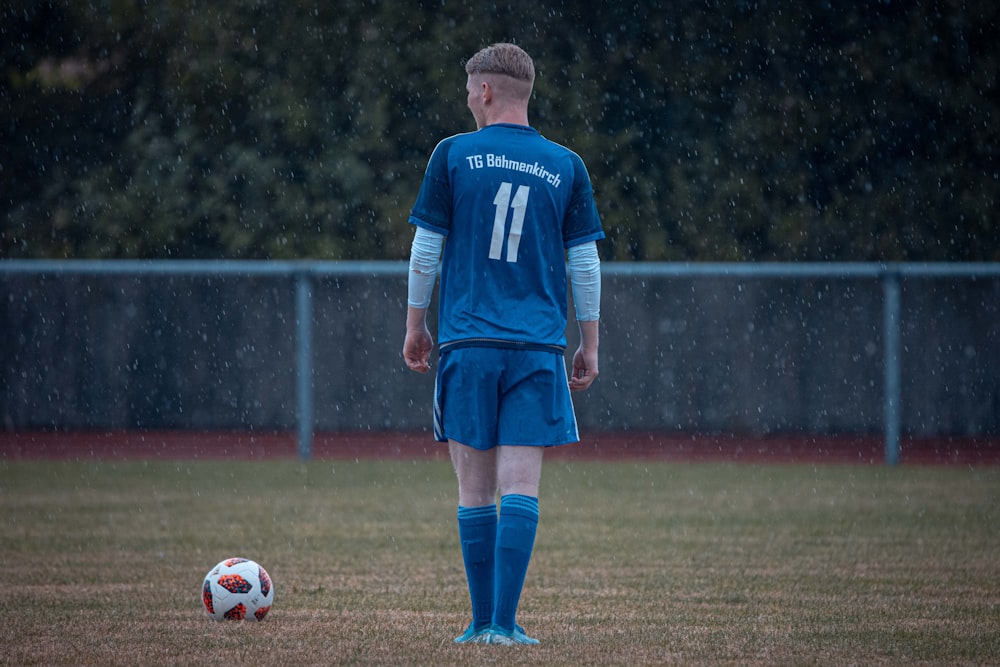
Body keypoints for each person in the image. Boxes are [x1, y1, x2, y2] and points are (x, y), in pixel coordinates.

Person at [402, 42, 604, 647]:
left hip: (469, 341)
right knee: (521, 485)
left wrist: (415, 325)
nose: (467, 99)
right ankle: (507, 626)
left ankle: (479, 622)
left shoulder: (453, 155)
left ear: (485, 91)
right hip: (537, 347)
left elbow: (426, 250)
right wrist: (589, 342)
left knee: (474, 489)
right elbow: (586, 264)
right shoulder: (565, 164)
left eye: (469, 89)